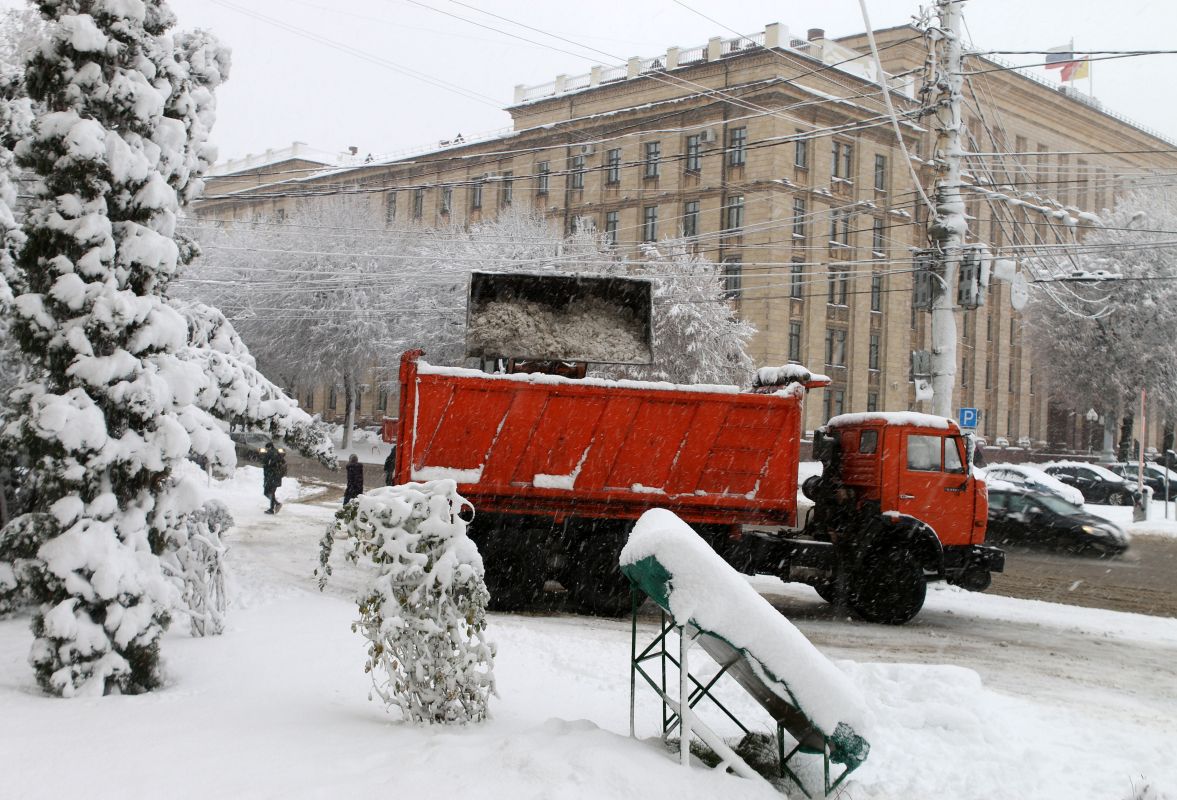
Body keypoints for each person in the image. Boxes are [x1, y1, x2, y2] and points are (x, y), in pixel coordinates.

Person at [261, 441, 287, 514]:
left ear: (269, 447)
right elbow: (283, 463)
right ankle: (275, 505)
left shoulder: (270, 453)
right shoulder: (278, 453)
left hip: (271, 476)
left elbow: (265, 464)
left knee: (268, 492)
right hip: (277, 476)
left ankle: (274, 507)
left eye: (266, 448)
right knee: (271, 492)